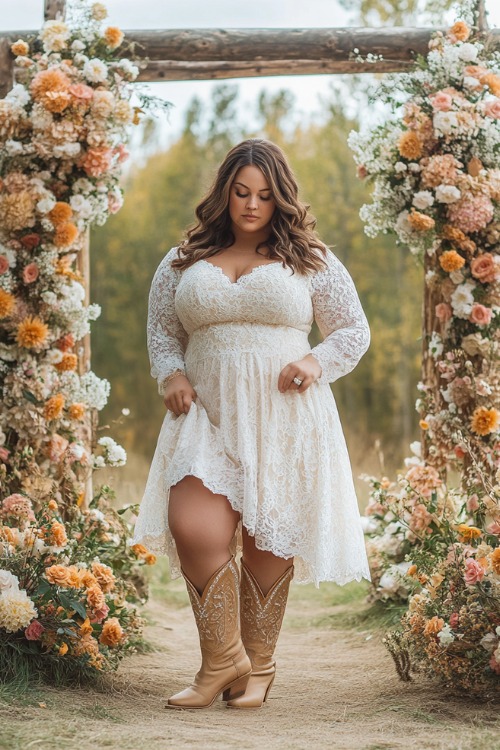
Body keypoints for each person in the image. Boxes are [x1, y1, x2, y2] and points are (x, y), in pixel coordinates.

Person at [132, 138, 371, 710]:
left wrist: (315, 362)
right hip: (205, 416)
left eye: (264, 195)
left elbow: (352, 331)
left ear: (280, 198)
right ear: (224, 193)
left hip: (283, 416)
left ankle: (256, 670)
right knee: (193, 524)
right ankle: (222, 660)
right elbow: (164, 332)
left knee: (269, 541)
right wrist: (172, 376)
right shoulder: (182, 260)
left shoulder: (310, 260)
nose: (251, 204)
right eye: (240, 192)